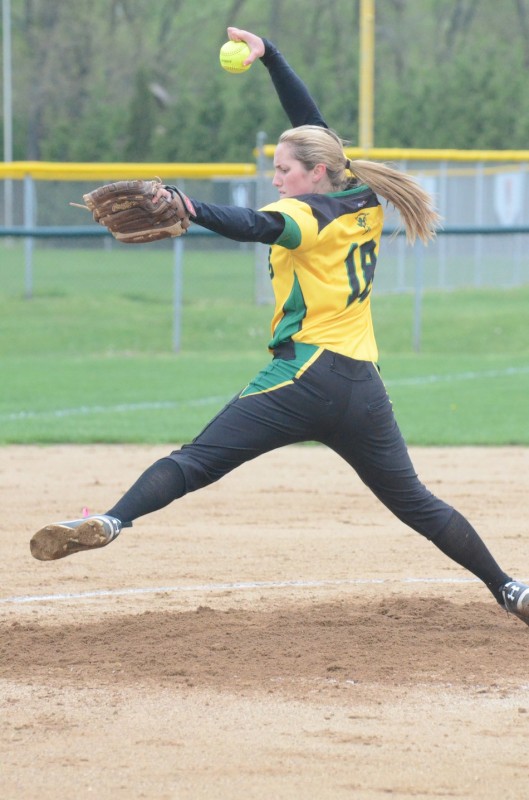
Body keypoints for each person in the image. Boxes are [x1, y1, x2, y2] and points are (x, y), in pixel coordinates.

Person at [30, 27, 529, 627]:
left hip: (301, 377)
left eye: (283, 169)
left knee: (195, 461)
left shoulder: (302, 214)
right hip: (361, 388)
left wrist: (190, 206)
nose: (276, 178)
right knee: (418, 504)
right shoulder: (362, 198)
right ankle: (509, 589)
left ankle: (112, 520)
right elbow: (314, 128)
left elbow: (250, 224)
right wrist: (273, 59)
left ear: (314, 175)